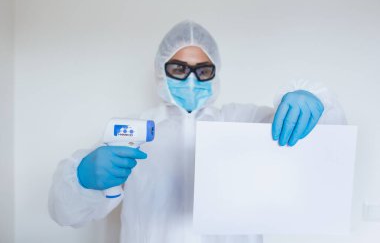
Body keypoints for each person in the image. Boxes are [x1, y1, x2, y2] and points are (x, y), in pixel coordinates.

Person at [49, 20, 346, 243]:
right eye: (178, 68)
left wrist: (314, 100)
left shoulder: (244, 121)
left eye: (202, 70)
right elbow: (65, 213)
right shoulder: (131, 131)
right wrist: (84, 180)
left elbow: (323, 144)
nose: (191, 79)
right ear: (159, 69)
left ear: (215, 73)